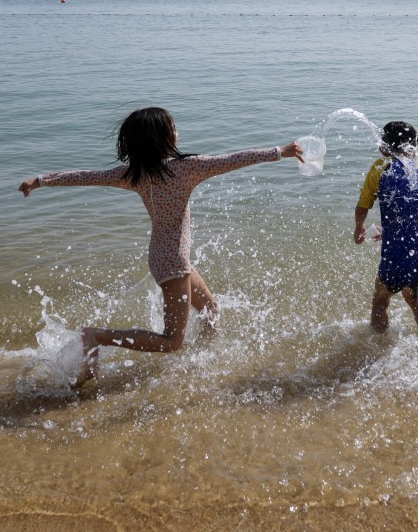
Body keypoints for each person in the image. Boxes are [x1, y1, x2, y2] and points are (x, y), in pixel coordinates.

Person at [19, 107, 303, 383]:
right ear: (162, 138)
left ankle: (199, 366)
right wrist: (280, 152)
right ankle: (97, 336)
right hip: (174, 263)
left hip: (165, 257)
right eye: (173, 127)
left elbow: (86, 176)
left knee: (211, 310)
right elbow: (232, 159)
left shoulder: (133, 174)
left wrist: (42, 180)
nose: (177, 131)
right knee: (171, 341)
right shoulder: (187, 168)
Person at [352, 121, 418, 337]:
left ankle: (378, 346)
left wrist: (359, 228)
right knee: (413, 297)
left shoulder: (380, 168)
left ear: (384, 147)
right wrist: (392, 229)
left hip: (396, 256)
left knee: (381, 299)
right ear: (416, 144)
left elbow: (363, 206)